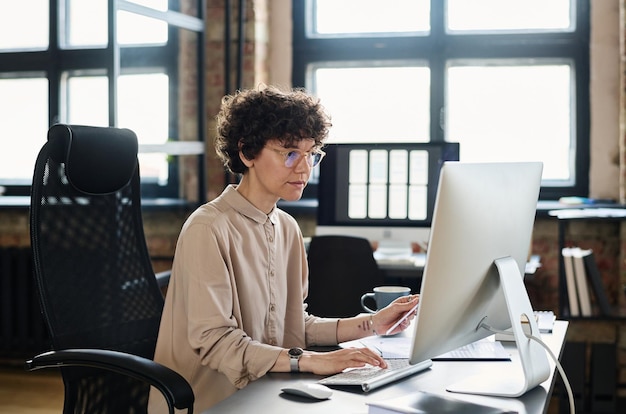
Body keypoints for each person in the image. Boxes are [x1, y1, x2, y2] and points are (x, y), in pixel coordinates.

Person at [148, 85, 419, 413]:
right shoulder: (208, 228)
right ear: (247, 152)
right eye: (290, 153)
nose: (304, 169)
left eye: (311, 154)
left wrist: (373, 323)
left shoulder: (287, 228)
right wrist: (312, 362)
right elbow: (217, 344)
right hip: (212, 402)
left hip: (271, 391)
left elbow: (293, 325)